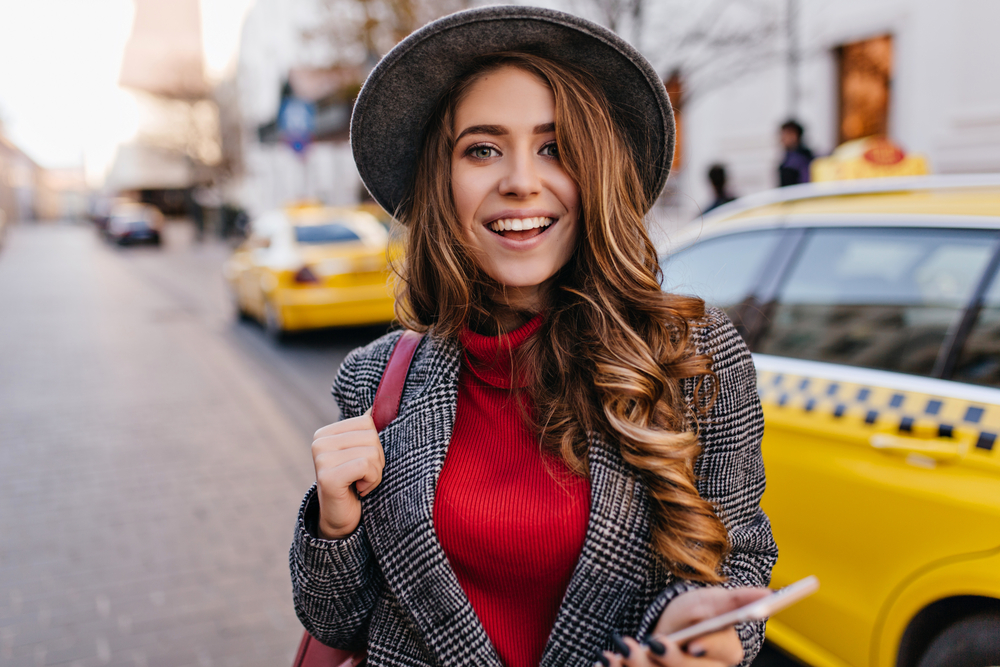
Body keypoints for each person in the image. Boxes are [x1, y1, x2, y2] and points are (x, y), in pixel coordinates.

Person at [290, 7, 777, 667]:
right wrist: (335, 521)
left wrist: (706, 629)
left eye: (554, 147)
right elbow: (333, 620)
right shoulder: (376, 379)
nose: (520, 180)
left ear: (596, 173)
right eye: (482, 148)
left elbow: (738, 560)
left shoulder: (692, 355)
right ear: (444, 178)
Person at [778, 119, 814, 186]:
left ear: (794, 136)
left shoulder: (799, 159)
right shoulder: (789, 156)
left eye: (785, 135)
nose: (782, 139)